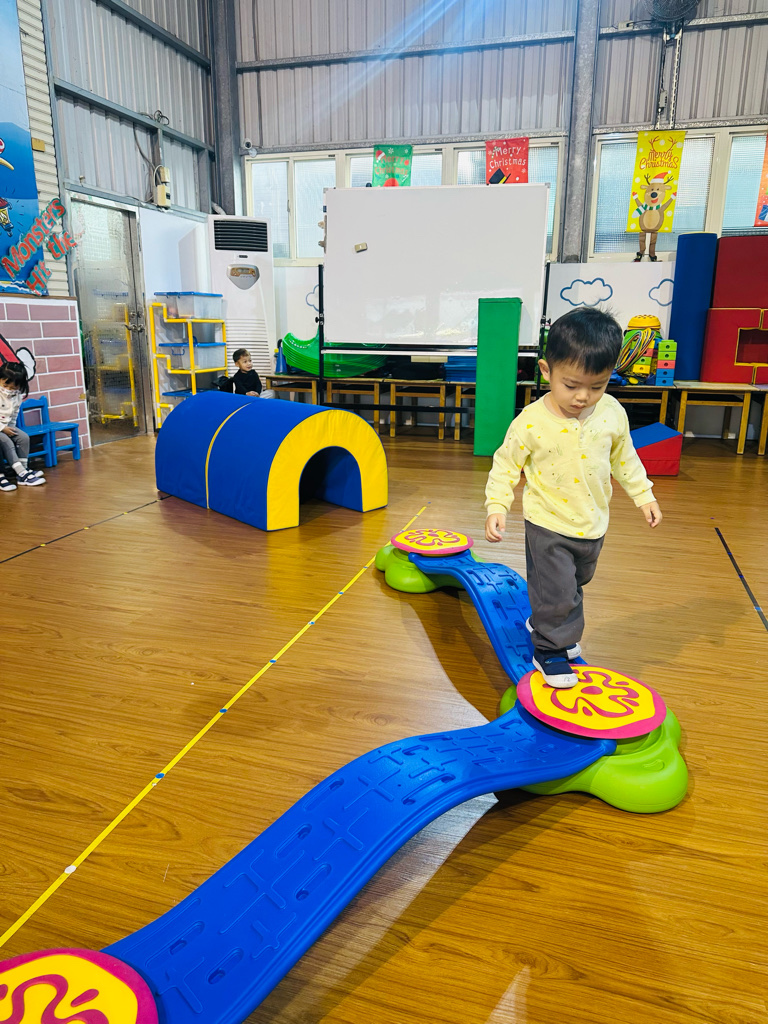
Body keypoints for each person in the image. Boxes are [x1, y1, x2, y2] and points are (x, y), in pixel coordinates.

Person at [484, 308, 662, 688]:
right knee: (559, 590)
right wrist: (497, 505)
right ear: (547, 371)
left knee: (576, 583)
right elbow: (505, 464)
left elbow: (625, 458)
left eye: (597, 386)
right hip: (547, 522)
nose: (583, 397)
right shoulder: (530, 421)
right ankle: (549, 648)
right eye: (571, 385)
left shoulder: (611, 412)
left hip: (592, 522)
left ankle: (547, 618)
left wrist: (644, 495)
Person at [0, 360, 46, 491]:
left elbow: (14, 414)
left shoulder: (17, 396)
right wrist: (3, 429)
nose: (9, 390)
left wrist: (11, 428)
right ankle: (21, 473)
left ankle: (23, 470)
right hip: (1, 428)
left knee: (23, 437)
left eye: (13, 387)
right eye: (5, 385)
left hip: (6, 426)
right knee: (6, 442)